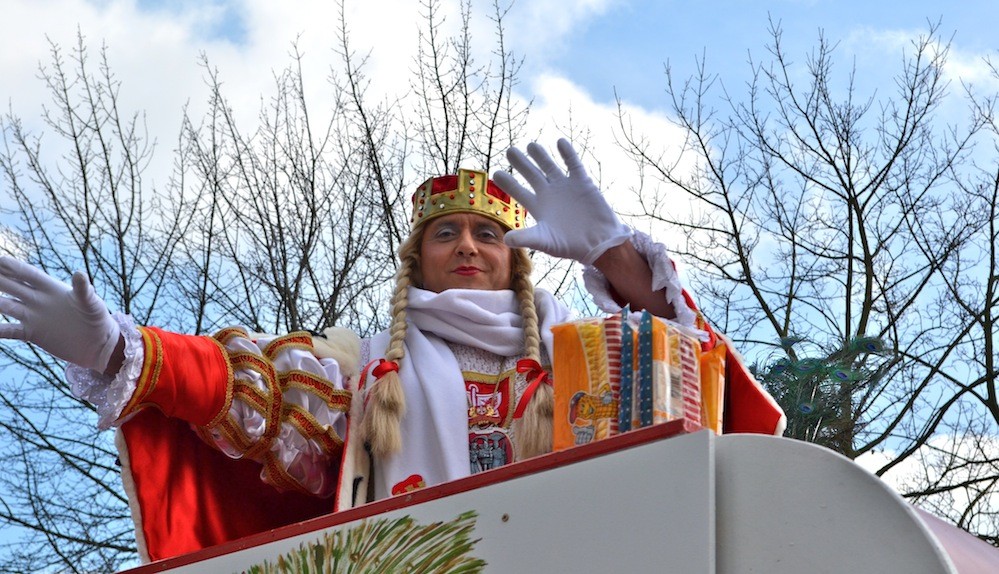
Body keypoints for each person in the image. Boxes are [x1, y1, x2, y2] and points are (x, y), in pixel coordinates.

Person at [0, 139, 783, 562]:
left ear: (519, 256)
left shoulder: (587, 353)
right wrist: (119, 351)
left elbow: (692, 423)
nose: (468, 246)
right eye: (446, 233)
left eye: (489, 233)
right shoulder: (366, 363)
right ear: (418, 259)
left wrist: (614, 253)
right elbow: (262, 402)